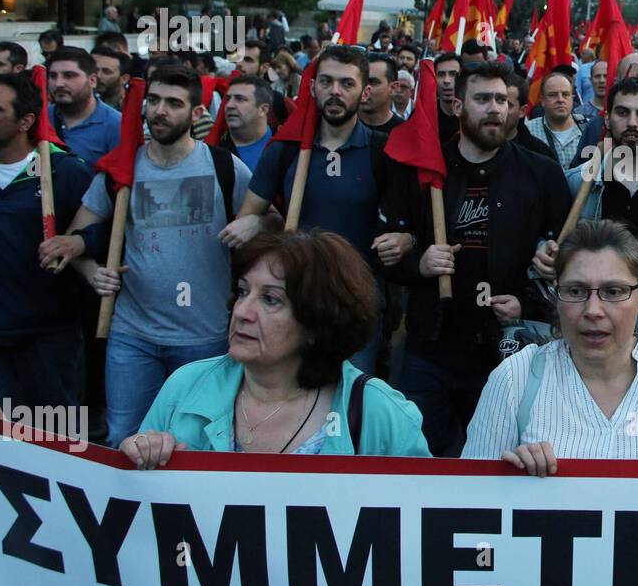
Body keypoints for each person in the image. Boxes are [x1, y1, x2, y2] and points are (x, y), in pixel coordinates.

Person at [52, 65, 255, 447]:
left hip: (205, 336)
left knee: (197, 443)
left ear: (196, 113)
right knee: (124, 440)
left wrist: (254, 225)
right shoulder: (122, 170)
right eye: (155, 100)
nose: (161, 110)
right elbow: (74, 237)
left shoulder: (225, 167)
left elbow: (271, 226)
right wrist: (92, 271)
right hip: (132, 336)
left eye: (174, 103)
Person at [386, 59, 572, 455]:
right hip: (430, 347)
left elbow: (567, 259)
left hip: (506, 352)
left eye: (502, 100)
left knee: (495, 462)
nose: (495, 109)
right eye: (483, 99)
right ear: (458, 107)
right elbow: (386, 256)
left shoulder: (541, 174)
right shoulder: (424, 172)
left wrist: (531, 296)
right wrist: (418, 263)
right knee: (420, 459)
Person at [120, 230, 430, 466]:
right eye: (242, 292)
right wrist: (141, 455)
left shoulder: (379, 412)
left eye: (271, 299)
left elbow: (422, 524)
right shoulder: (186, 386)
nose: (242, 311)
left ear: (316, 322)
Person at [462, 219, 638, 473]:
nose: (593, 310)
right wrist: (509, 478)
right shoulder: (515, 378)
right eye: (576, 291)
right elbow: (469, 501)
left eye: (613, 292)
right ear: (556, 295)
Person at [222, 46, 405, 375]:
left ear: (364, 91)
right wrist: (259, 223)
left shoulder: (384, 151)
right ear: (312, 87)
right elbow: (247, 220)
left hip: (357, 301)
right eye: (327, 81)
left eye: (347, 84)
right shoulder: (285, 149)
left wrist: (404, 240)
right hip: (294, 299)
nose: (335, 91)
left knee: (348, 404)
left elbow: (409, 226)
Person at [536, 76, 638, 341]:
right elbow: (544, 238)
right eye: (623, 112)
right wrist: (542, 250)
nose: (632, 122)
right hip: (586, 329)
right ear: (607, 119)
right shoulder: (574, 183)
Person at [0, 73, 94, 411]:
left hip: (50, 339)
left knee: (57, 445)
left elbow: (103, 231)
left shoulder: (65, 171)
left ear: (26, 120)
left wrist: (76, 243)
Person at [47, 48, 121, 166]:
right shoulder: (41, 119)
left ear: (92, 80)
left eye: (69, 76)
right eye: (53, 76)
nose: (58, 83)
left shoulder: (116, 125)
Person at [527, 68, 587, 165]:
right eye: (553, 95)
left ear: (572, 98)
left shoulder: (588, 128)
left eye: (565, 94)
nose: (560, 99)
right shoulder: (528, 131)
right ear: (542, 100)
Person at [219, 74, 274, 172]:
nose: (229, 105)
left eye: (240, 99)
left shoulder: (284, 147)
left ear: (263, 109)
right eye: (227, 99)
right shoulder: (215, 148)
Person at [503, 70, 555, 160]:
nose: (496, 109)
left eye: (507, 105)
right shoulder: (472, 148)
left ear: (522, 111)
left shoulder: (541, 155)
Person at [361, 53, 404, 134]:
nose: (364, 88)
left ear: (393, 88)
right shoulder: (338, 126)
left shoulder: (404, 132)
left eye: (373, 82)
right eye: (361, 81)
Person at [90, 45, 131, 111]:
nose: (98, 76)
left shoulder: (135, 105)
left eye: (107, 72)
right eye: (96, 70)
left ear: (124, 79)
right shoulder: (90, 104)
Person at [434, 52, 462, 142]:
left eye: (453, 74)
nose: (446, 81)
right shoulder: (424, 115)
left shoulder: (472, 116)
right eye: (441, 75)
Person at [578, 58, 607, 123]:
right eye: (597, 76)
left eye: (606, 76)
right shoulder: (579, 114)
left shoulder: (619, 112)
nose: (601, 80)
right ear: (591, 80)